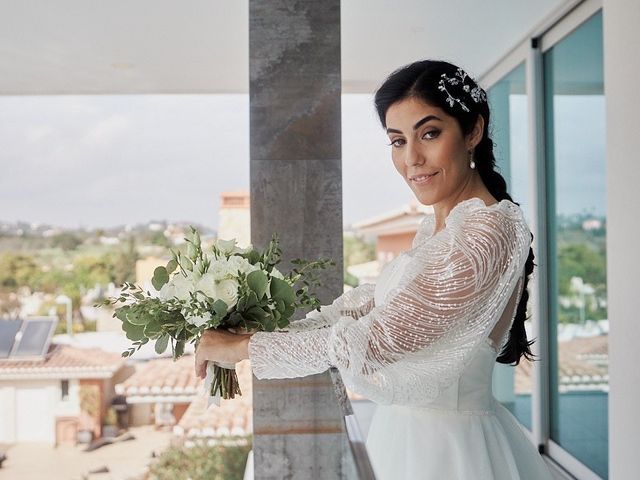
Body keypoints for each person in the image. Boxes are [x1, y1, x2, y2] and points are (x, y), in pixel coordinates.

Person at [194, 59, 553, 480]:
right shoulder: (440, 228)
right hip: (407, 437)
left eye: (430, 134)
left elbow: (379, 339)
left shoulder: (486, 230)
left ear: (473, 130)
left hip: (448, 454)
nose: (412, 159)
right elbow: (364, 311)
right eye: (398, 141)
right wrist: (249, 332)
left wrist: (242, 349)